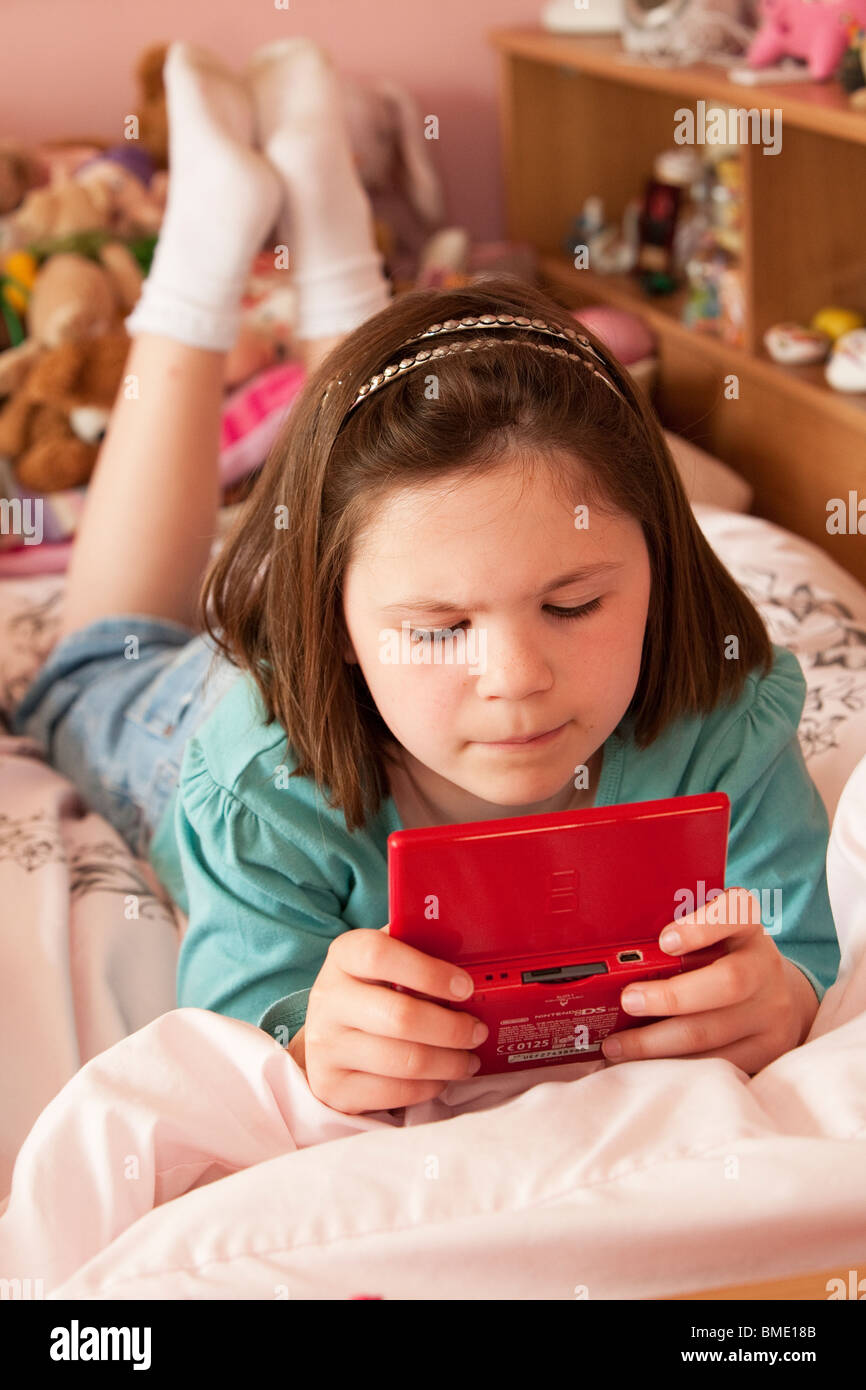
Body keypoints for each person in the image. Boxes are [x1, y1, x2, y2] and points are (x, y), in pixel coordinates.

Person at [10, 38, 839, 1123]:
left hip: (358, 582)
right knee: (94, 650)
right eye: (439, 625)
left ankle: (323, 207)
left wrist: (778, 994)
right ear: (336, 620)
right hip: (186, 716)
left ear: (662, 562)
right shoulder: (258, 777)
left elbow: (806, 949)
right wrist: (306, 1049)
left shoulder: (723, 716)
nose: (516, 678)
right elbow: (239, 1035)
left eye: (573, 604)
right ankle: (203, 253)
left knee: (374, 471)